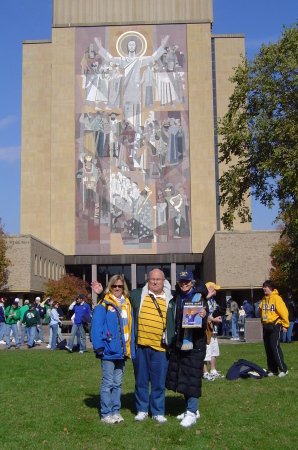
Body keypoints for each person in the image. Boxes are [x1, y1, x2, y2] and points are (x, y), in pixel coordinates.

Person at [166, 271, 213, 428]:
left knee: (192, 377)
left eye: (187, 282)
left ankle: (192, 412)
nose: (184, 284)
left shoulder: (199, 298)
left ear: (192, 282)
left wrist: (204, 314)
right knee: (184, 376)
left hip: (195, 344)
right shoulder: (177, 297)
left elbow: (204, 318)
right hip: (180, 344)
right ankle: (190, 409)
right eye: (181, 281)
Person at [129, 268, 174, 423]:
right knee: (141, 380)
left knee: (158, 382)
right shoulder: (137, 295)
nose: (155, 282)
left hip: (161, 349)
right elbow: (117, 298)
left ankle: (158, 411)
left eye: (158, 279)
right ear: (147, 280)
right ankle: (142, 409)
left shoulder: (171, 300)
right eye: (152, 279)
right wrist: (101, 293)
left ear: (164, 281)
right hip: (141, 346)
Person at [91, 275, 135, 424]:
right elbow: (96, 326)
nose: (117, 288)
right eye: (114, 286)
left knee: (117, 384)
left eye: (120, 286)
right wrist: (99, 348)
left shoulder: (128, 304)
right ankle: (106, 413)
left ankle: (115, 411)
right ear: (110, 287)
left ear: (124, 288)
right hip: (109, 351)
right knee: (107, 383)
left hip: (122, 351)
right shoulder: (104, 304)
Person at [259, 280, 289, 377]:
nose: (264, 289)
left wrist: (285, 325)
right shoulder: (264, 299)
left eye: (266, 287)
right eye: (263, 287)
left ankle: (283, 369)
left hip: (275, 325)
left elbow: (283, 312)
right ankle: (273, 369)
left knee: (274, 346)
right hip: (266, 326)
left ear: (271, 288)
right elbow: (260, 310)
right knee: (268, 348)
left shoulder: (276, 298)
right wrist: (263, 321)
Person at [203, 282, 224, 381]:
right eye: (214, 289)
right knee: (206, 352)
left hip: (214, 330)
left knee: (214, 351)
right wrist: (213, 319)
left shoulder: (213, 301)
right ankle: (205, 373)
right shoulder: (204, 301)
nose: (216, 291)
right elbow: (204, 316)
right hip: (207, 331)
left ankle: (213, 370)